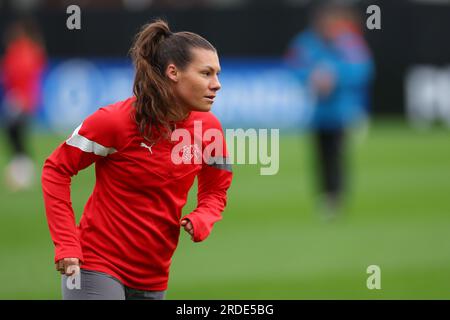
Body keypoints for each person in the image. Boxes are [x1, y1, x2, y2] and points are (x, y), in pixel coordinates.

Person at [41, 19, 233, 300]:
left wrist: (205, 216)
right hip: (95, 266)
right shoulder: (115, 122)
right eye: (206, 73)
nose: (216, 85)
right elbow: (56, 169)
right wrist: (67, 244)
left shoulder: (210, 128)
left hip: (154, 277)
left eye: (217, 74)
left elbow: (217, 189)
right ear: (173, 72)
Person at [285, 2, 374, 218]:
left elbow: (363, 69)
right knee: (320, 155)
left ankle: (336, 196)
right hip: (318, 113)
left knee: (336, 154)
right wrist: (311, 79)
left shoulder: (348, 42)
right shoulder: (306, 43)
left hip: (341, 111)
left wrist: (336, 78)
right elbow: (294, 67)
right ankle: (325, 195)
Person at [1, 18, 47, 191]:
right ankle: (21, 166)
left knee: (15, 132)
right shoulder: (21, 50)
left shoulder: (25, 50)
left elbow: (19, 73)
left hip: (22, 99)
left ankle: (22, 168)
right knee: (13, 133)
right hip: (15, 97)